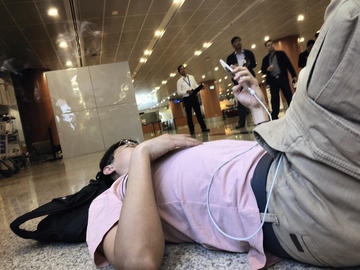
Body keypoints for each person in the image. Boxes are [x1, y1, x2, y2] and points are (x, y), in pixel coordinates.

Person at [87, 1, 360, 269]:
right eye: (128, 144)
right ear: (109, 166)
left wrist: (257, 108)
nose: (138, 144)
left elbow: (259, 160)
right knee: (348, 17)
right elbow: (138, 261)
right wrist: (142, 155)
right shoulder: (110, 197)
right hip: (296, 201)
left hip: (294, 167)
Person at [261, 39, 297, 119]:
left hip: (282, 77)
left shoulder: (281, 54)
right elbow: (263, 70)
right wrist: (267, 69)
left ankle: (294, 110)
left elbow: (288, 64)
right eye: (268, 45)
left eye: (271, 44)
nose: (270, 46)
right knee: (274, 98)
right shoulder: (265, 59)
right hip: (272, 80)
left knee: (288, 94)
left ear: (273, 45)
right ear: (266, 47)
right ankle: (274, 115)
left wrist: (294, 74)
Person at [226, 36, 257, 128]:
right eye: (236, 42)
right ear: (233, 45)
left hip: (249, 77)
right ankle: (241, 123)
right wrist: (233, 68)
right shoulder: (230, 58)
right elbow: (229, 70)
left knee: (255, 97)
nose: (238, 43)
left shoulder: (248, 53)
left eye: (239, 41)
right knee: (241, 101)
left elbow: (254, 64)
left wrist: (247, 65)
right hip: (239, 81)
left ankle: (260, 117)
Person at [176, 65, 209, 135]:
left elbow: (195, 86)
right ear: (179, 72)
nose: (183, 70)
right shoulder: (179, 81)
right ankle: (192, 130)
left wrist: (201, 87)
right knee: (189, 115)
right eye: (181, 70)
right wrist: (186, 91)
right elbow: (179, 92)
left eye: (184, 69)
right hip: (186, 98)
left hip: (194, 96)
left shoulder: (191, 77)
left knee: (199, 114)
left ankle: (204, 128)